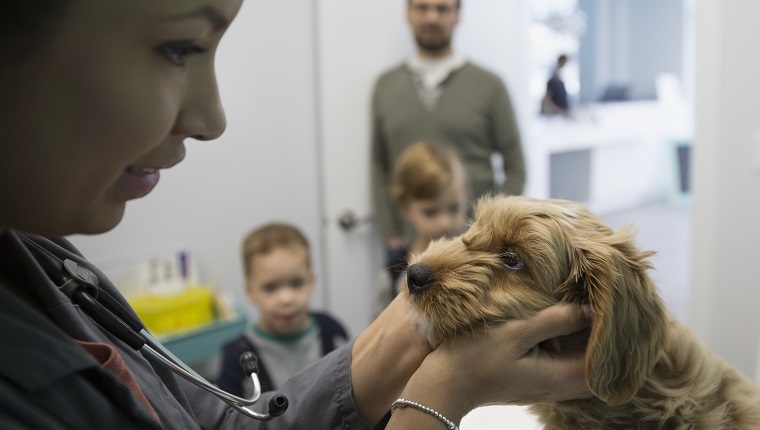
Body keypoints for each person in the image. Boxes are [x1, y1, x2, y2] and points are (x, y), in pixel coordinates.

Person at [0, 1, 592, 429]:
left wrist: (411, 329)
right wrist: (435, 399)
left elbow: (219, 423)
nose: (213, 120)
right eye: (180, 48)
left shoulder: (45, 262)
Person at [371, 0, 526, 268]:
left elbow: (516, 165)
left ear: (457, 16)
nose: (432, 17)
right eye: (422, 7)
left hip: (476, 251)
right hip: (411, 248)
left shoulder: (490, 86)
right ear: (408, 13)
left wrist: (492, 231)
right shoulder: (386, 86)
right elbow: (378, 163)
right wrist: (391, 235)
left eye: (442, 9)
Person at [217, 223, 349, 396]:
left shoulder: (332, 332)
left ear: (311, 282)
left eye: (296, 283)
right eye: (270, 288)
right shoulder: (238, 357)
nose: (286, 299)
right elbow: (229, 419)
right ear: (250, 291)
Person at [371, 142, 468, 320]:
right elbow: (375, 337)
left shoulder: (475, 263)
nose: (445, 223)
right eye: (431, 212)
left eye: (454, 208)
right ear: (406, 208)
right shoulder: (392, 276)